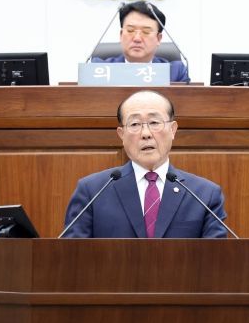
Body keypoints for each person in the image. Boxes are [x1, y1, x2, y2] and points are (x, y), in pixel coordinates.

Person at [62, 90, 226, 238]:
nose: (146, 134)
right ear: (121, 134)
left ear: (173, 129)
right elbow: (72, 255)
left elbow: (216, 258)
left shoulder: (205, 195)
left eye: (154, 122)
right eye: (134, 124)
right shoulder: (92, 191)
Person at [92, 1, 190, 83]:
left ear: (158, 38)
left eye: (146, 32)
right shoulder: (99, 69)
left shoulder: (174, 72)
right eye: (130, 30)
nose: (137, 38)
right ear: (121, 35)